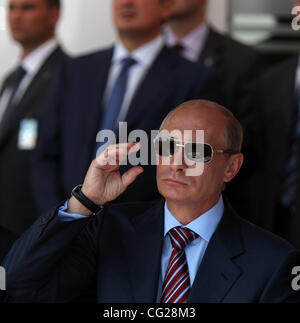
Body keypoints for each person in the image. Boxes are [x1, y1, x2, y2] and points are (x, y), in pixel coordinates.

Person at [3, 100, 300, 303]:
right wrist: (85, 200)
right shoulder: (110, 229)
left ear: (232, 167)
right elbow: (17, 286)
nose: (177, 163)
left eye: (197, 151)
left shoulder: (274, 262)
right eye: (168, 146)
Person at [32, 0, 221, 214]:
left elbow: (192, 164)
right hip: (68, 221)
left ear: (166, 7)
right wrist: (62, 216)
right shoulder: (75, 71)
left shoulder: (194, 80)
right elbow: (46, 153)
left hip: (141, 230)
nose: (127, 3)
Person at [164, 0, 265, 223]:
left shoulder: (243, 61)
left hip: (216, 217)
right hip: (143, 218)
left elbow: (250, 146)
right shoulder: (140, 57)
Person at [0, 0, 67, 235]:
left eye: (27, 7)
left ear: (54, 14)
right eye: (12, 7)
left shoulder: (69, 74)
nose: (16, 16)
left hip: (34, 226)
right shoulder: (11, 78)